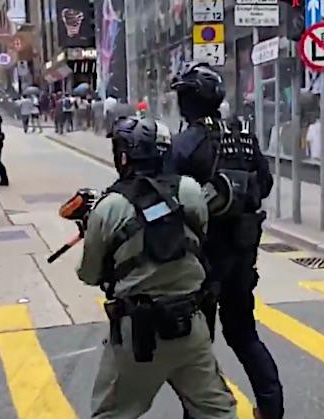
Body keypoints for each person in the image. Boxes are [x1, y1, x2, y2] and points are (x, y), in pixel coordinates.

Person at [77, 116, 237, 419]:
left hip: (138, 334)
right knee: (218, 412)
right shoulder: (189, 190)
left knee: (112, 414)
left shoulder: (109, 207)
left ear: (123, 156)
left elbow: (89, 274)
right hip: (191, 326)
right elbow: (199, 235)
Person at [167, 61, 282, 419]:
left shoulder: (185, 143)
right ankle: (271, 409)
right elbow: (265, 184)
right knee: (245, 336)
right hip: (243, 256)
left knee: (198, 351)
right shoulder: (244, 136)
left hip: (202, 260)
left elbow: (170, 199)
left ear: (188, 103)